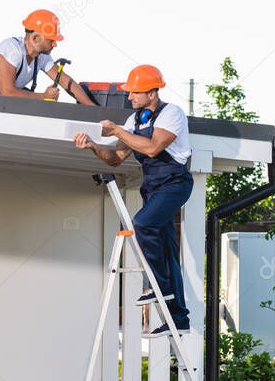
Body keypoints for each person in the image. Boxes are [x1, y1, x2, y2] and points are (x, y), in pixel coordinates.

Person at [73, 64, 193, 337]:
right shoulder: (134, 122)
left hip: (174, 184)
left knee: (142, 224)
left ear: (152, 93)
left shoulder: (171, 113)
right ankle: (179, 318)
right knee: (167, 253)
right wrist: (93, 145)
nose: (129, 97)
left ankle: (159, 286)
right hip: (153, 189)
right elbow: (116, 159)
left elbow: (152, 148)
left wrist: (116, 131)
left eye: (135, 93)